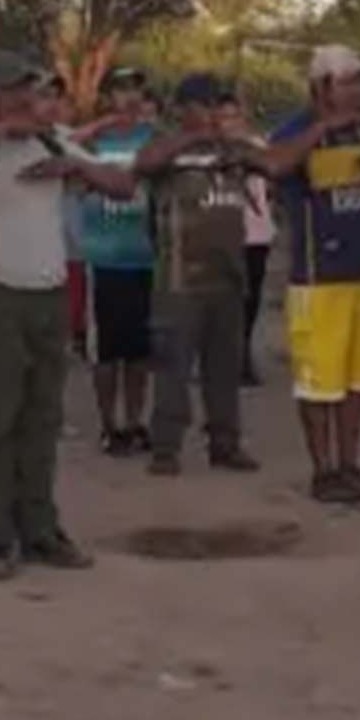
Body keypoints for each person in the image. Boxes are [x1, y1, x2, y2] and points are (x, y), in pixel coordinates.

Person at [0, 61, 133, 580]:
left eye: (42, 94)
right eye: (23, 91)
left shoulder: (58, 144)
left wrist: (77, 168)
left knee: (41, 417)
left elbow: (122, 185)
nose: (35, 102)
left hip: (46, 293)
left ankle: (39, 528)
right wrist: (6, 126)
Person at [259, 46, 360, 503]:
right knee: (320, 382)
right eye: (349, 81)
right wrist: (321, 129)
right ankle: (323, 470)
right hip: (320, 277)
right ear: (321, 88)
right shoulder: (297, 129)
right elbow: (275, 164)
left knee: (359, 380)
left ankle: (350, 464)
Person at [133, 74, 267, 477]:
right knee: (173, 364)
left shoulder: (234, 149)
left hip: (228, 276)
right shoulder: (166, 145)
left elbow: (275, 162)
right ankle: (166, 447)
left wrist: (235, 146)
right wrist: (192, 139)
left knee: (224, 367)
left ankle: (225, 443)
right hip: (179, 277)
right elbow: (145, 164)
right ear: (183, 108)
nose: (213, 114)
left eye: (218, 106)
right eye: (205, 105)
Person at [70, 67, 156, 456]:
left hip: (145, 255)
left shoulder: (153, 137)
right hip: (103, 257)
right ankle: (109, 425)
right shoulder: (93, 140)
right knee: (106, 352)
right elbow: (64, 145)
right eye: (121, 91)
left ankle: (136, 421)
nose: (129, 99)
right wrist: (103, 123)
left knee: (138, 352)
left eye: (135, 90)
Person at [218, 95, 277, 388]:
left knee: (250, 299)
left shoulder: (258, 147)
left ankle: (242, 356)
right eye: (224, 117)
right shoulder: (211, 151)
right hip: (222, 233)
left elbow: (273, 180)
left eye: (235, 117)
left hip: (256, 233)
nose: (230, 123)